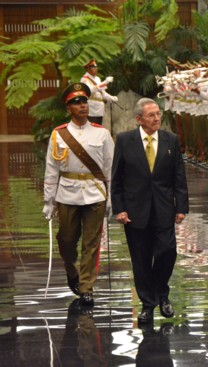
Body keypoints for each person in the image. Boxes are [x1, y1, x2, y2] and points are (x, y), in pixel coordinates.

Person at [111, 98, 189, 324]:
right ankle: (148, 304)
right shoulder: (125, 140)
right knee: (141, 260)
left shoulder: (170, 140)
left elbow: (179, 176)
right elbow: (117, 178)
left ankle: (161, 292)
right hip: (135, 210)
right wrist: (119, 209)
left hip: (164, 208)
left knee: (167, 252)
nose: (157, 118)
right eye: (151, 115)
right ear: (139, 119)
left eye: (158, 114)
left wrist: (181, 206)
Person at [42, 82, 114, 307]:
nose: (82, 106)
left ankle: (86, 287)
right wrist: (48, 201)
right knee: (66, 240)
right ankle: (73, 273)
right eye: (76, 102)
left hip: (95, 193)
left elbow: (110, 168)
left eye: (84, 101)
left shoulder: (102, 133)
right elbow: (51, 169)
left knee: (91, 243)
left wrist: (112, 197)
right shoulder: (59, 134)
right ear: (68, 108)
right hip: (67, 194)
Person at [80, 59, 118, 125]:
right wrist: (106, 82)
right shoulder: (84, 79)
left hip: (99, 109)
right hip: (91, 110)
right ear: (88, 68)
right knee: (91, 130)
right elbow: (91, 89)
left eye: (96, 67)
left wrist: (111, 98)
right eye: (94, 67)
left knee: (98, 130)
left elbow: (103, 93)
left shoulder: (97, 79)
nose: (96, 68)